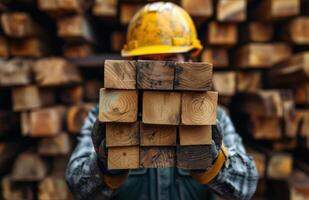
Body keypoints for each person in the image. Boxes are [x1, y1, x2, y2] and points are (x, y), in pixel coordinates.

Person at [66, 2, 258, 200]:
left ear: (189, 63)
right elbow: (77, 185)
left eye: (170, 60)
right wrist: (103, 166)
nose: (158, 74)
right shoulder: (107, 114)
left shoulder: (213, 117)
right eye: (147, 61)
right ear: (132, 65)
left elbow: (247, 186)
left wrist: (215, 163)